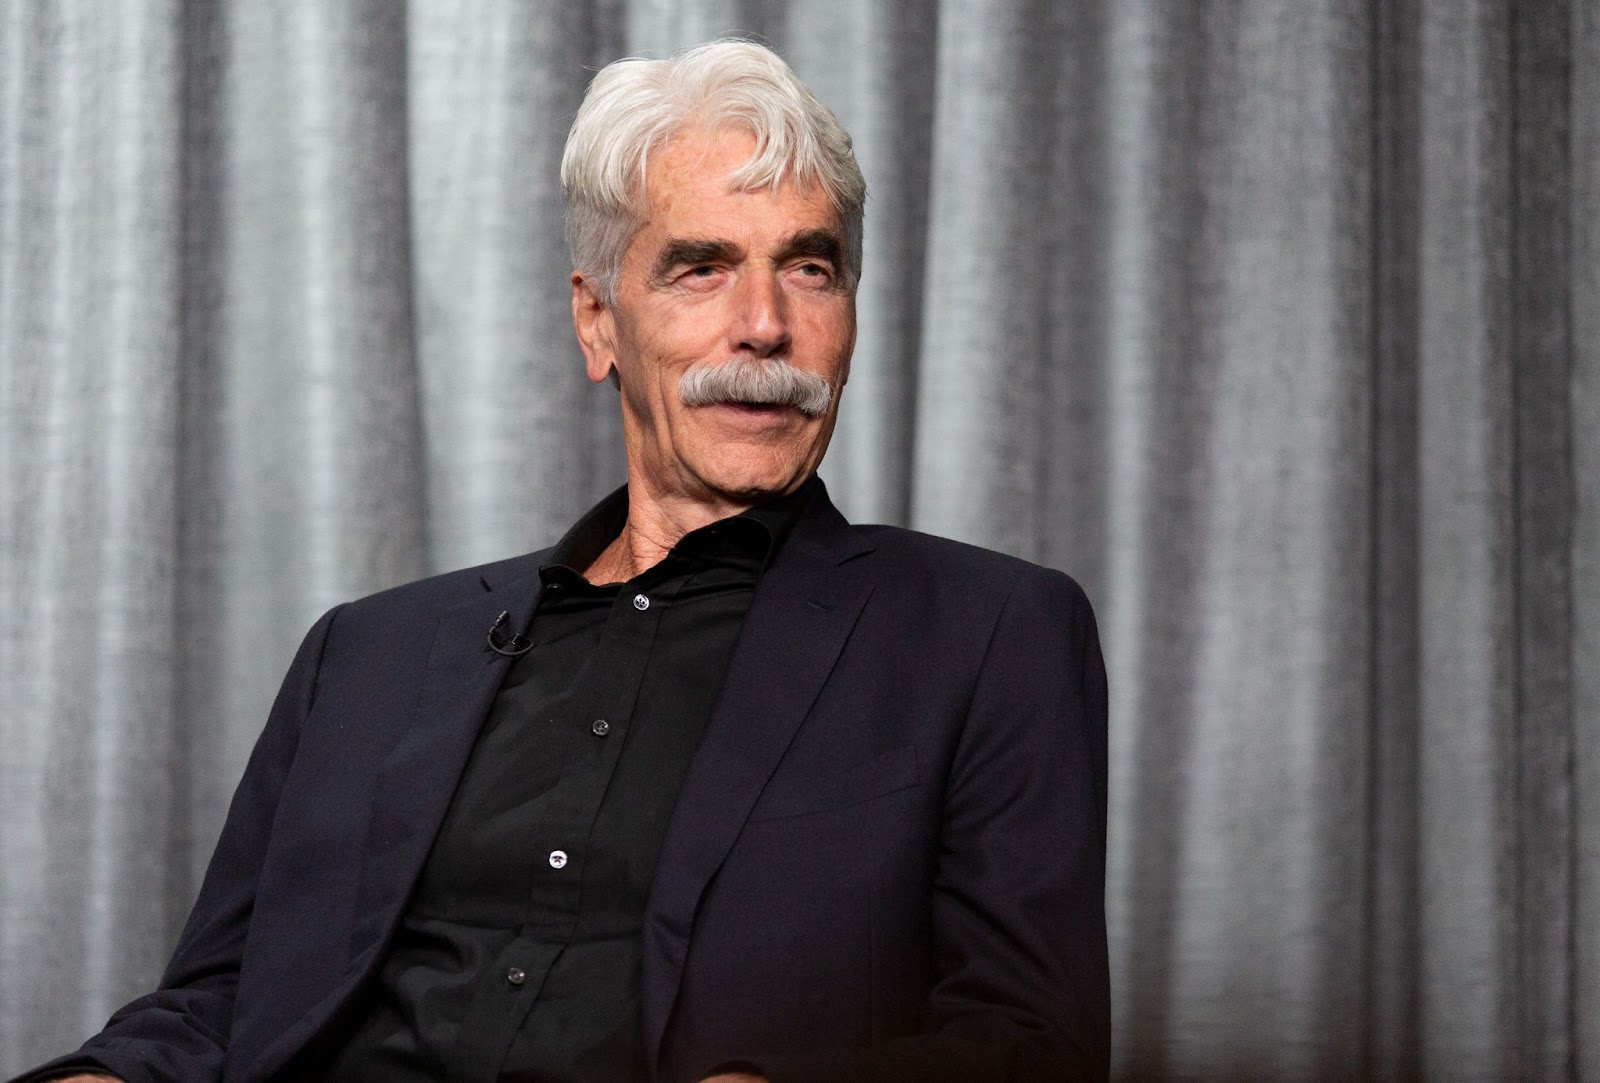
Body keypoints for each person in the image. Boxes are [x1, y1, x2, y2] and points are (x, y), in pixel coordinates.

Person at [22, 39, 1108, 1083]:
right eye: (701, 268)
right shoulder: (369, 653)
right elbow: (217, 1008)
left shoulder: (987, 634)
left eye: (810, 268)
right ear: (598, 320)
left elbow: (1032, 1045)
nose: (765, 325)